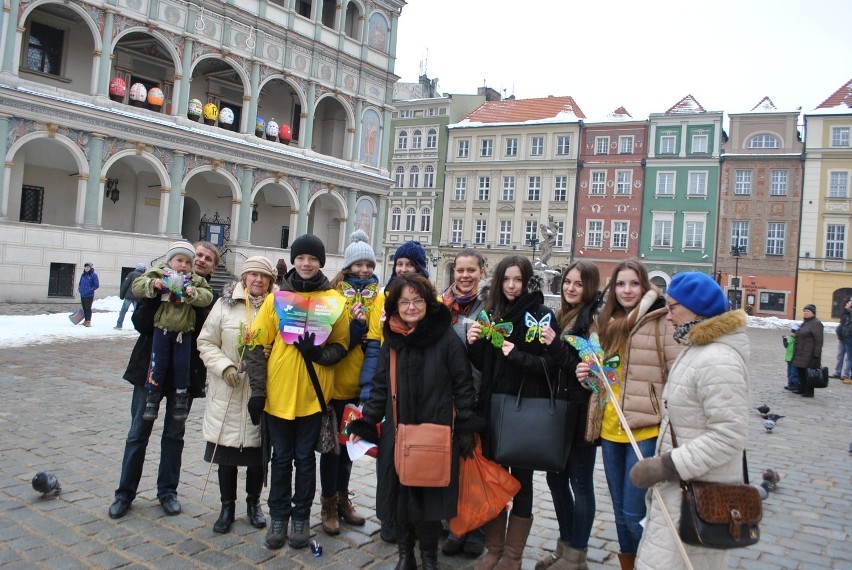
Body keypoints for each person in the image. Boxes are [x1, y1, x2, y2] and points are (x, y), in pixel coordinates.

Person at [348, 274, 480, 570]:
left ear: (427, 302)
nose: (410, 307)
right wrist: (367, 421)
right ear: (395, 305)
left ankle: (429, 558)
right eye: (404, 301)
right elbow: (381, 384)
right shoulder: (392, 337)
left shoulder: (445, 335)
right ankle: (406, 555)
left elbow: (462, 381)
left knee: (429, 498)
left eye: (417, 300)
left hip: (436, 429)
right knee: (400, 496)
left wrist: (466, 425)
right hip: (398, 429)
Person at [629, 272, 750, 570]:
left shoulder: (719, 358)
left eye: (672, 307)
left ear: (696, 308)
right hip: (683, 489)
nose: (668, 317)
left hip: (701, 494)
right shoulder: (699, 349)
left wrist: (667, 466)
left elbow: (729, 435)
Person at [243, 234, 349, 550]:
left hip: (312, 399)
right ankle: (279, 517)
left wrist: (319, 355)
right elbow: (256, 344)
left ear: (321, 263)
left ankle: (301, 517)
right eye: (301, 257)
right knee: (280, 460)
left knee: (304, 460)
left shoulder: (335, 301)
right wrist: (258, 392)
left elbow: (341, 345)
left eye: (312, 259)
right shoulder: (278, 299)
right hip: (278, 396)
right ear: (293, 261)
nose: (306, 263)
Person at [575, 259, 681, 570]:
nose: (627, 290)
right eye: (620, 284)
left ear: (645, 285)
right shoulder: (605, 322)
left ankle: (648, 564)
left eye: (633, 283)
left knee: (636, 512)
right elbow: (601, 375)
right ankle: (629, 564)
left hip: (644, 430)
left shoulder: (660, 320)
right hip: (610, 428)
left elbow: (677, 373)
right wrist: (587, 374)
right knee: (620, 511)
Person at [109, 240, 219, 520]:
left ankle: (167, 492)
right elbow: (140, 323)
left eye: (208, 258)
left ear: (212, 266)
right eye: (199, 255)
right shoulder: (163, 279)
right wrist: (157, 296)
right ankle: (124, 493)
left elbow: (210, 333)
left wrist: (191, 299)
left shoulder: (208, 295)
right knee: (138, 432)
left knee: (174, 435)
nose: (202, 260)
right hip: (150, 367)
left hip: (185, 372)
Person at [467, 255, 558, 570]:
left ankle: (513, 555)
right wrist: (474, 344)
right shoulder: (491, 314)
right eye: (506, 279)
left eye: (517, 279)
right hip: (492, 410)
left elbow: (550, 366)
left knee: (521, 481)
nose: (511, 285)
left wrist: (517, 355)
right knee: (493, 479)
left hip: (523, 412)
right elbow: (483, 365)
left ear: (528, 281)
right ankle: (493, 549)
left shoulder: (542, 316)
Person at [197, 256, 278, 534]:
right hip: (228, 390)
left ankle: (254, 503)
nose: (257, 280)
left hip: (262, 392)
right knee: (227, 454)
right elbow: (206, 342)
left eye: (263, 276)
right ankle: (226, 506)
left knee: (257, 455)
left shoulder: (277, 307)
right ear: (244, 278)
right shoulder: (224, 305)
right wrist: (224, 366)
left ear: (270, 281)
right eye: (252, 275)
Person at [358, 239, 430, 543]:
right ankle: (388, 517)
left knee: (419, 456)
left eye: (409, 265)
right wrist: (368, 389)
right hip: (388, 386)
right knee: (387, 457)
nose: (402, 269)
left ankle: (418, 517)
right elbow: (375, 345)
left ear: (419, 269)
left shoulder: (430, 298)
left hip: (420, 390)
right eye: (399, 264)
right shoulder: (382, 298)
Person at [538, 260, 603, 570]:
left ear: (589, 287)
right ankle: (564, 547)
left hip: (580, 413)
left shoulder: (591, 322)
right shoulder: (564, 316)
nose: (570, 288)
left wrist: (553, 346)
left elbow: (583, 375)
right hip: (560, 412)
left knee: (580, 483)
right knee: (556, 479)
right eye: (567, 282)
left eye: (578, 283)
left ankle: (578, 554)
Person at [319, 230, 377, 535]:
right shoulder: (334, 296)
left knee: (349, 446)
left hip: (358, 385)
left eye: (369, 264)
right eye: (359, 265)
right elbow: (327, 338)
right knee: (331, 450)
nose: (364, 270)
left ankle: (343, 499)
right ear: (348, 267)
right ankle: (328, 503)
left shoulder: (377, 296)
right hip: (334, 385)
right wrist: (354, 325)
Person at [132, 240, 213, 422]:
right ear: (170, 260)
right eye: (179, 260)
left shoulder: (195, 280)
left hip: (183, 333)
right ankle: (152, 397)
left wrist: (194, 294)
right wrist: (153, 284)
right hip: (161, 330)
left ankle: (180, 398)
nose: (183, 265)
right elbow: (137, 285)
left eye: (187, 262)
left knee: (181, 366)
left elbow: (207, 296)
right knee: (157, 363)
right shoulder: (160, 272)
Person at [440, 248, 487, 558]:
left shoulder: (489, 308)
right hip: (446, 395)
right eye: (461, 270)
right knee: (449, 463)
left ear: (482, 272)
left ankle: (477, 529)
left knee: (477, 464)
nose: (466, 276)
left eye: (472, 270)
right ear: (453, 272)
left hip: (479, 395)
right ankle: (454, 525)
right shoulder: (441, 307)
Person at [791, 303, 824, 398]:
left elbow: (819, 340)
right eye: (804, 311)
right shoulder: (805, 322)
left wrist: (816, 354)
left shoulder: (816, 323)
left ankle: (809, 391)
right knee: (800, 371)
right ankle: (802, 388)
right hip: (801, 351)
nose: (805, 313)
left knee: (808, 373)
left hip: (809, 353)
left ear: (813, 313)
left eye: (808, 311)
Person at [115, 263, 145, 330]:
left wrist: (122, 295)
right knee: (136, 313)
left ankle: (119, 325)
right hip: (138, 297)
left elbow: (125, 285)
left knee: (123, 311)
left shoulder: (131, 274)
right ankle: (137, 327)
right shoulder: (143, 276)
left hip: (129, 296)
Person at [831, 299, 852, 383]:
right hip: (842, 337)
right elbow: (842, 323)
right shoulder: (845, 312)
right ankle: (837, 372)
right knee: (840, 355)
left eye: (849, 302)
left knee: (850, 357)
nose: (847, 303)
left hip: (848, 337)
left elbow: (849, 326)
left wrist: (847, 334)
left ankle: (846, 375)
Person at [78, 262, 99, 327]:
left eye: (88, 267)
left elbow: (96, 285)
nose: (87, 268)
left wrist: (89, 290)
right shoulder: (83, 275)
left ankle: (88, 321)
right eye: (86, 267)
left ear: (90, 268)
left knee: (88, 308)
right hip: (83, 294)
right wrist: (80, 289)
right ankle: (85, 320)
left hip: (89, 295)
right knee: (84, 308)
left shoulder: (93, 275)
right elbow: (80, 283)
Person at [782, 325, 801, 391]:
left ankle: (795, 385)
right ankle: (790, 384)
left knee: (794, 373)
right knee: (789, 372)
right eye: (792, 331)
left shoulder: (797, 340)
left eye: (794, 332)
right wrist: (784, 340)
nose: (792, 333)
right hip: (789, 358)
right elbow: (786, 346)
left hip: (794, 359)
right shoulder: (790, 339)